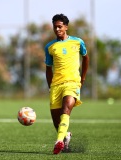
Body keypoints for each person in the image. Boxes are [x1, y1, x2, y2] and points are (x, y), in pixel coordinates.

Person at [44, 13, 89, 154]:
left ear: (66, 27)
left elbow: (86, 58)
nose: (57, 29)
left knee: (66, 110)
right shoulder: (50, 47)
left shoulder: (78, 42)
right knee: (56, 121)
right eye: (55, 27)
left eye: (59, 26)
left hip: (72, 83)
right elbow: (48, 68)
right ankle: (65, 136)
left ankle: (58, 141)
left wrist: (82, 78)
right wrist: (50, 86)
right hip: (56, 85)